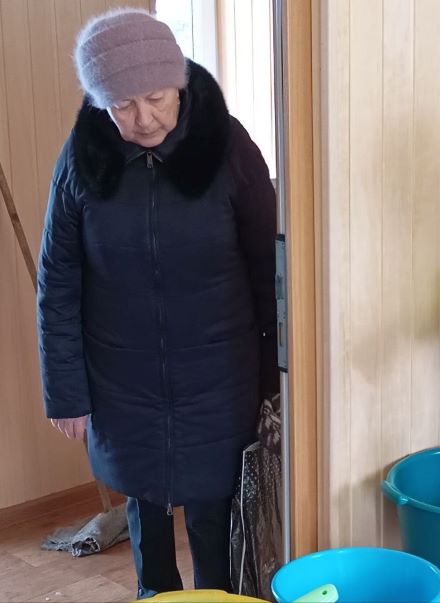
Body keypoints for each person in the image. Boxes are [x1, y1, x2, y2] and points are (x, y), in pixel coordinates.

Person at [37, 8, 279, 597]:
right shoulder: (81, 158)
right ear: (101, 103)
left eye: (155, 98)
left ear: (179, 83)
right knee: (143, 503)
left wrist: (276, 377)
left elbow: (269, 270)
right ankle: (155, 594)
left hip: (219, 371)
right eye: (123, 105)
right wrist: (66, 391)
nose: (144, 119)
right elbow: (58, 281)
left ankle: (216, 596)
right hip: (120, 375)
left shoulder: (228, 147)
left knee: (213, 509)